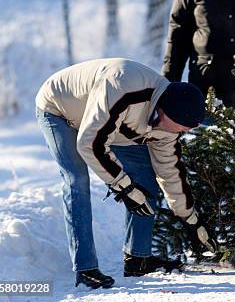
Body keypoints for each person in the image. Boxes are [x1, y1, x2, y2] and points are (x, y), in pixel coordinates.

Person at [36, 58, 216, 289]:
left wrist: (190, 218)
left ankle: (137, 260)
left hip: (112, 123)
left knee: (145, 177)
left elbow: (169, 170)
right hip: (59, 109)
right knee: (77, 180)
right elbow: (90, 144)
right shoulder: (122, 87)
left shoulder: (170, 124)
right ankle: (85, 268)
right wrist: (125, 188)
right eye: (183, 126)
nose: (187, 131)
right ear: (164, 112)